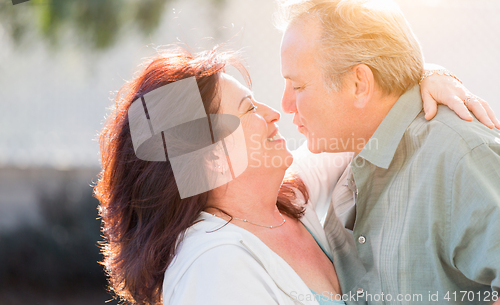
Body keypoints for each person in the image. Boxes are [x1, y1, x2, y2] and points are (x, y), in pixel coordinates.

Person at [94, 42, 497, 304]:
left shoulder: (288, 196)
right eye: (250, 109)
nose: (274, 113)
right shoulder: (212, 268)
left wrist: (431, 74)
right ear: (210, 157)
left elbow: (365, 105)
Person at [277, 0, 500, 305]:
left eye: (297, 86)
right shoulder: (345, 156)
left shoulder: (459, 158)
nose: (284, 105)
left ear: (359, 84)